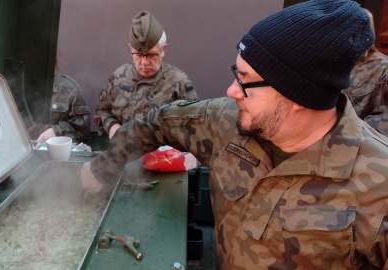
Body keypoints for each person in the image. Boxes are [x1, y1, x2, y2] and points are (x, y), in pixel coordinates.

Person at [81, 0, 388, 269]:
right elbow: (155, 122)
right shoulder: (223, 121)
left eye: (245, 81)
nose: (230, 92)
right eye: (235, 73)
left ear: (297, 95)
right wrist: (101, 168)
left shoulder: (379, 187)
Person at [94, 10, 199, 139]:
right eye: (138, 55)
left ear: (163, 50)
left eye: (151, 54)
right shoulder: (118, 77)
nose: (144, 62)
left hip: (164, 156)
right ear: (130, 49)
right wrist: (113, 127)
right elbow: (101, 112)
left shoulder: (179, 81)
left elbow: (195, 124)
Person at [342, 9, 388, 137]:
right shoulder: (332, 62)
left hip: (354, 146)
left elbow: (384, 121)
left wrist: (346, 132)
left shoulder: (383, 68)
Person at [27, 72, 91, 144]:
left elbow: (83, 132)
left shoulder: (69, 89)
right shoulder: (15, 84)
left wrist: (56, 131)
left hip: (55, 150)